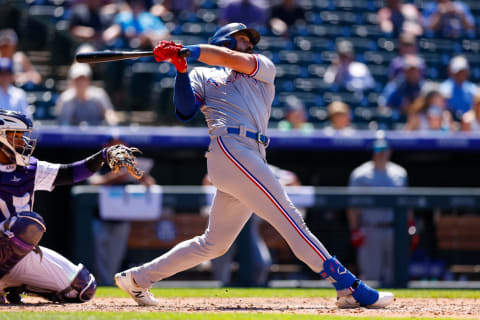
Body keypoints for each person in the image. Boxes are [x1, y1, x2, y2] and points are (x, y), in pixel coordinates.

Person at [114, 22, 394, 308]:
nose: (249, 45)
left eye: (249, 41)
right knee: (291, 220)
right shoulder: (203, 74)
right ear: (224, 41)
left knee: (214, 244)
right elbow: (185, 111)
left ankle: (137, 278)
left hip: (252, 153)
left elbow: (227, 58)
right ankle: (348, 286)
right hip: (229, 147)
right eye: (242, 39)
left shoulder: (262, 66)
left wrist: (189, 50)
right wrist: (181, 69)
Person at [0, 109, 142, 303]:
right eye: (16, 136)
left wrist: (102, 156)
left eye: (23, 136)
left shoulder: (29, 168)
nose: (22, 142)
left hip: (20, 252)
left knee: (82, 288)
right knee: (27, 225)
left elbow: (70, 173)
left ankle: (12, 283)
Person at [89, 137, 156, 286]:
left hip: (121, 218)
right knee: (98, 255)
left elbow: (151, 184)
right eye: (114, 146)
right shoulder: (99, 163)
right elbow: (93, 182)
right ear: (106, 146)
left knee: (114, 256)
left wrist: (141, 175)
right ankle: (98, 283)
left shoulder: (129, 165)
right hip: (99, 217)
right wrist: (115, 177)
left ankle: (109, 285)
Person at [347, 138, 410, 287]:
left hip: (395, 229)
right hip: (370, 228)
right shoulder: (360, 174)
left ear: (390, 151)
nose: (382, 153)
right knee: (370, 276)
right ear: (373, 151)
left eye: (384, 150)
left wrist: (410, 225)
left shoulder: (400, 173)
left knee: (395, 275)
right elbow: (352, 206)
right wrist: (355, 230)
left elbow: (407, 203)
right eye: (378, 150)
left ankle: (399, 308)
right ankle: (367, 307)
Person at [439, 55, 477, 120]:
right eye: (458, 72)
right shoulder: (444, 88)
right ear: (451, 72)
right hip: (449, 125)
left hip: (468, 124)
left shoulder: (473, 89)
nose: (461, 75)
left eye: (463, 72)